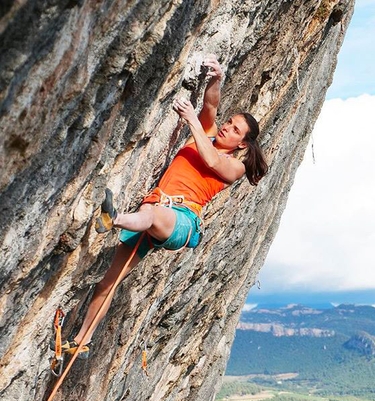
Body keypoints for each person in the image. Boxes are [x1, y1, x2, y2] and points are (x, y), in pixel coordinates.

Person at [54, 55, 268, 358]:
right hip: (152, 208)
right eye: (230, 123)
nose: (227, 129)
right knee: (109, 282)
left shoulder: (235, 167)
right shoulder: (207, 132)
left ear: (243, 144)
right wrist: (216, 79)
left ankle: (112, 219)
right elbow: (210, 107)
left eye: (235, 131)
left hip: (181, 219)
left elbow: (211, 160)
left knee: (152, 215)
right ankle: (80, 341)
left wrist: (191, 121)